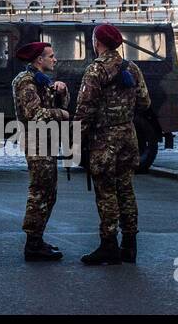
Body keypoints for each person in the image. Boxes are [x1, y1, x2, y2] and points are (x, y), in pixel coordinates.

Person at [74, 23, 150, 265]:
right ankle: (130, 246)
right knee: (126, 190)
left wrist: (78, 139)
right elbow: (145, 102)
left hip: (104, 140)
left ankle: (109, 245)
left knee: (106, 193)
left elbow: (85, 110)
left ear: (98, 43)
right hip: (128, 137)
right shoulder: (132, 67)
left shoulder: (95, 71)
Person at [11, 42, 70, 261]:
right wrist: (61, 114)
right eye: (51, 56)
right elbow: (33, 113)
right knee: (39, 192)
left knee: (49, 192)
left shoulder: (42, 81)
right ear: (39, 60)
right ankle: (32, 244)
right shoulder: (26, 81)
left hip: (47, 140)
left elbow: (60, 104)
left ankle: (37, 238)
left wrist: (62, 91)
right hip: (36, 142)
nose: (54, 59)